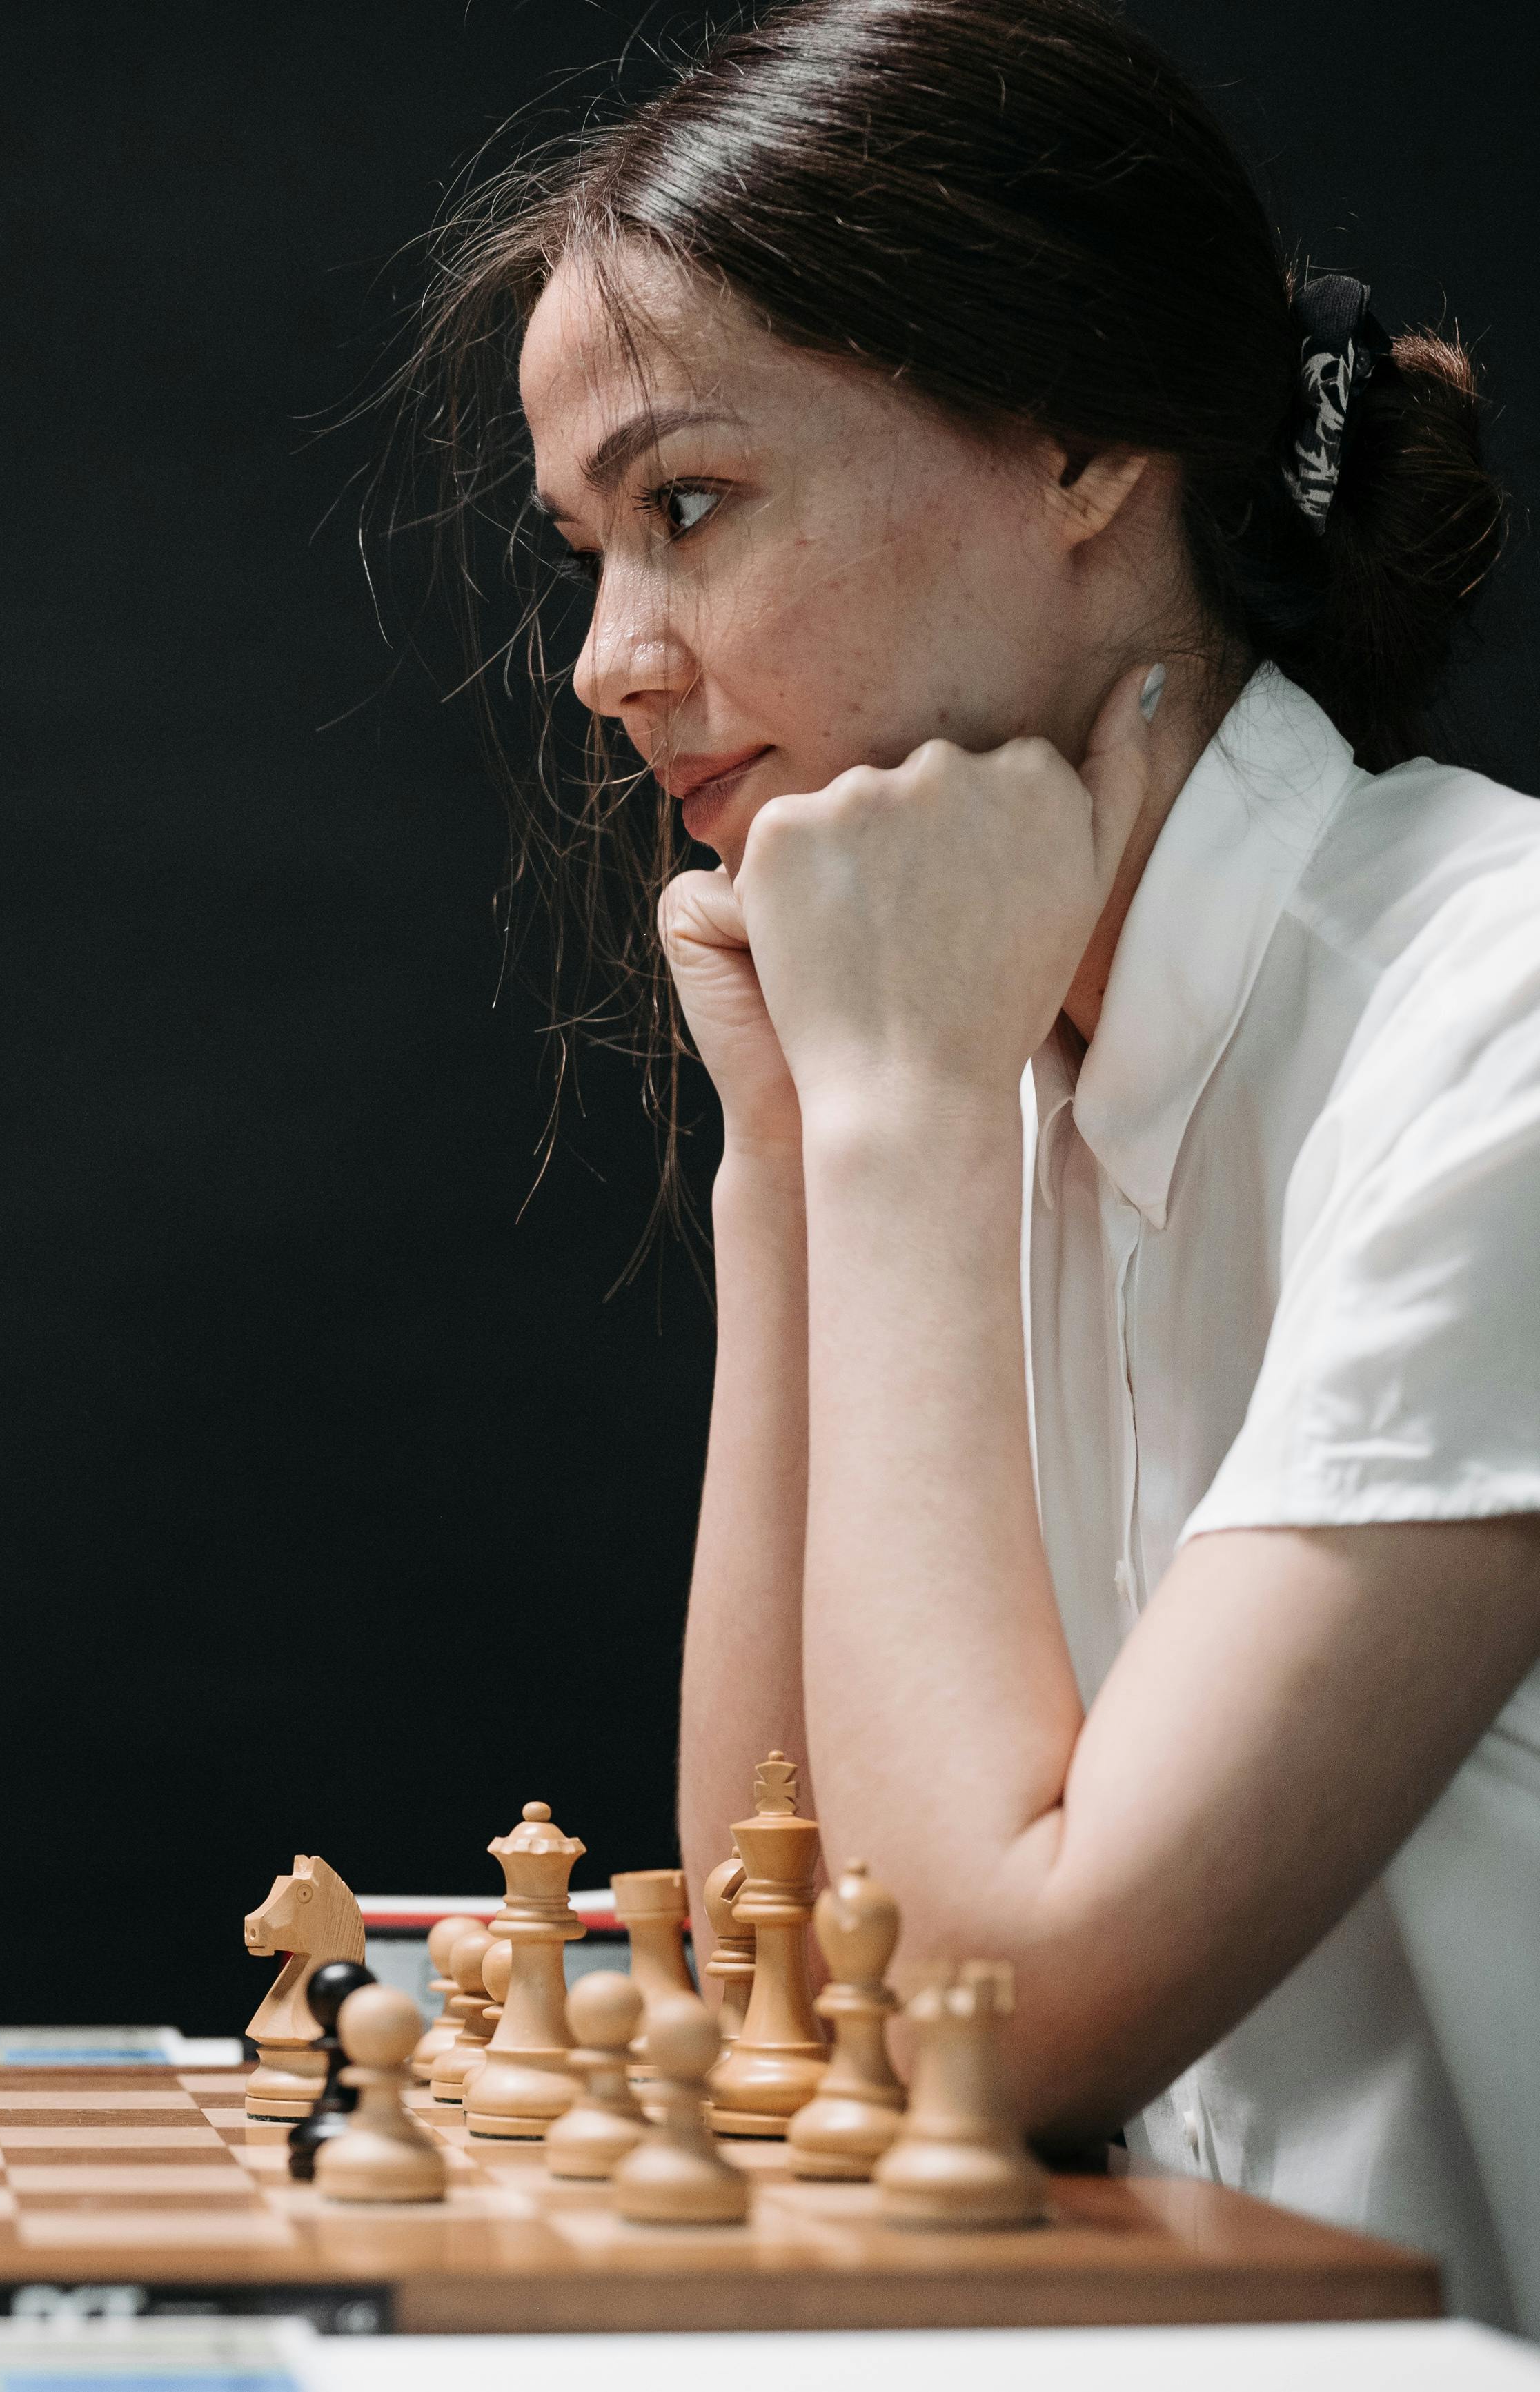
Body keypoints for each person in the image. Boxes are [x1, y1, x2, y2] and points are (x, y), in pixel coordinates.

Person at [400, 0, 1535, 2324]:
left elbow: (975, 2029)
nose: (607, 661)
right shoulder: (986, 1046)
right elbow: (789, 1985)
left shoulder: (1495, 1033)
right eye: (587, 551)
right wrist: (799, 1148)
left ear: (1086, 441)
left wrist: (901, 1121)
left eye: (688, 505)